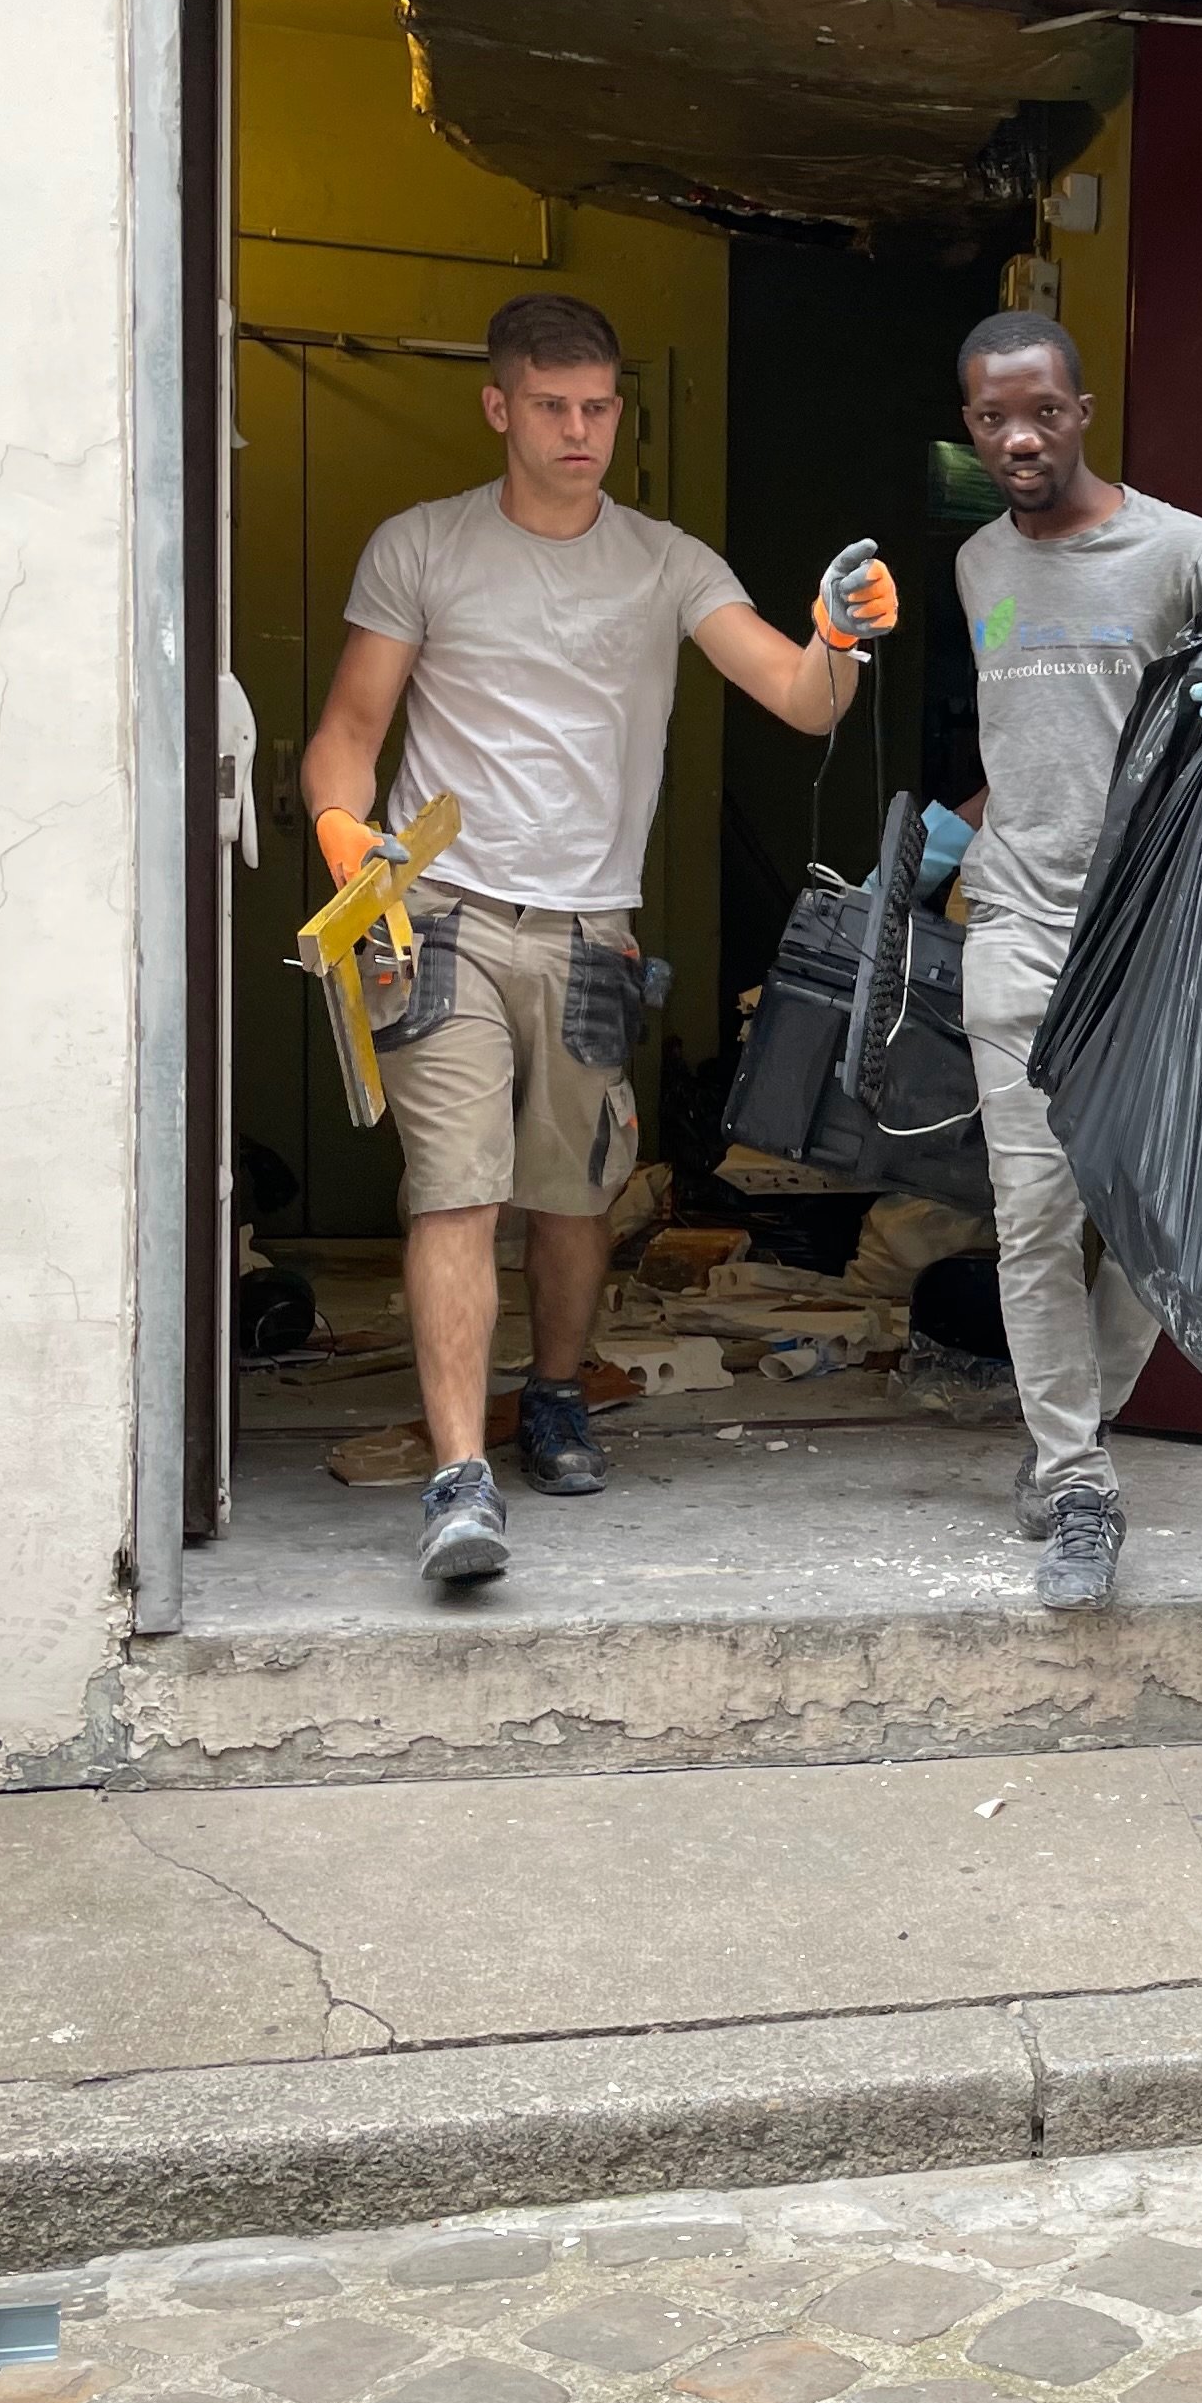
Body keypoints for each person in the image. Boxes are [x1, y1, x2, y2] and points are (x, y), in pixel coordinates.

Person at [304, 290, 905, 1586]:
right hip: (442, 913)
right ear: (499, 407)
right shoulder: (424, 549)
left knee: (570, 1198)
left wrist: (838, 633)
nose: (580, 432)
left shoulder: (665, 562)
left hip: (590, 932)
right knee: (454, 1188)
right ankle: (463, 1479)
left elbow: (801, 701)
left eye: (598, 408)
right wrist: (348, 841)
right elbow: (349, 730)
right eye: (553, 408)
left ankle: (559, 1389)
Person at [944, 311, 1202, 1609]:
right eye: (994, 418)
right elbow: (1034, 741)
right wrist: (966, 834)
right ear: (971, 426)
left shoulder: (1181, 552)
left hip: (1157, 954)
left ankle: (1083, 1422)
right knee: (1036, 1223)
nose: (1020, 437)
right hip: (1017, 940)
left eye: (1042, 411)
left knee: (1173, 1222)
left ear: (1083, 407)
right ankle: (1075, 1478)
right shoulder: (976, 566)